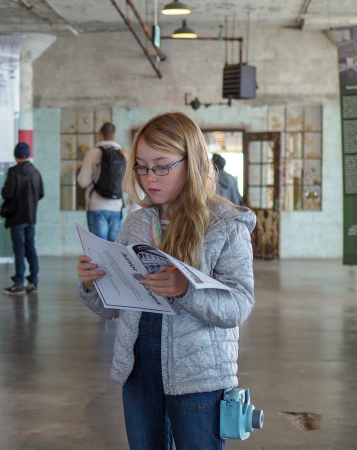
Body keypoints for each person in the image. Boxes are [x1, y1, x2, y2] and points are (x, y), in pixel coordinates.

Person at [76, 112, 256, 449]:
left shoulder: (225, 225)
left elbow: (239, 305)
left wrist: (186, 290)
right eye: (142, 167)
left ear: (192, 161)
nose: (149, 178)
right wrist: (91, 284)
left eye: (161, 166)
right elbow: (111, 308)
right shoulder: (135, 223)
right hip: (139, 368)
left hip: (198, 373)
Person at [2, 142, 44, 295]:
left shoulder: (13, 172)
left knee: (19, 250)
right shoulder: (35, 172)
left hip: (17, 218)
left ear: (16, 155)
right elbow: (41, 193)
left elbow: (8, 194)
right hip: (30, 217)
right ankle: (33, 281)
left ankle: (19, 283)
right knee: (30, 248)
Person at [77, 122, 129, 242]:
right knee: (115, 249)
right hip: (117, 207)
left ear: (100, 136)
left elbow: (83, 182)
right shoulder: (123, 154)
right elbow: (127, 184)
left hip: (97, 206)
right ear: (114, 137)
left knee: (99, 250)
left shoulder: (92, 153)